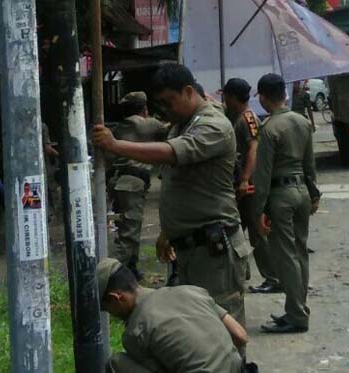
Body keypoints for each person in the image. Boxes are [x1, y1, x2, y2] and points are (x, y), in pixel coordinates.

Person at [93, 64, 252, 331]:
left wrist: (115, 145)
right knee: (198, 328)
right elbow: (181, 184)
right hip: (191, 246)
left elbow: (172, 153)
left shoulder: (213, 125)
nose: (166, 109)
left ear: (188, 91)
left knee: (223, 329)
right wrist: (168, 232)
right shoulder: (183, 124)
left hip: (214, 249)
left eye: (169, 101)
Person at [98, 258, 247, 373]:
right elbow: (240, 336)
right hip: (239, 369)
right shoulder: (191, 291)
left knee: (116, 362)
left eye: (107, 308)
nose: (111, 314)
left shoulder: (135, 332)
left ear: (116, 298)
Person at [252, 73, 318, 334]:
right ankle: (297, 308)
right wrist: (314, 194)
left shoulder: (269, 128)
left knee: (286, 256)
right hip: (301, 191)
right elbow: (309, 164)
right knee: (300, 252)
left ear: (263, 97)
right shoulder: (302, 122)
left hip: (280, 197)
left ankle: (297, 315)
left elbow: (263, 174)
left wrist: (258, 211)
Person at [222, 78, 281, 294]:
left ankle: (273, 278)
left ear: (231, 97)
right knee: (238, 229)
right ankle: (241, 273)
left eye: (226, 97)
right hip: (240, 185)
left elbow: (253, 149)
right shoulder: (236, 117)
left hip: (249, 186)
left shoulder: (247, 118)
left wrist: (246, 178)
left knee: (257, 232)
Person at [108, 92, 169, 280]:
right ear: (144, 109)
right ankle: (110, 275)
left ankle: (131, 269)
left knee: (128, 226)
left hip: (119, 182)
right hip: (132, 183)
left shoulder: (120, 127)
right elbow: (170, 128)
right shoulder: (144, 123)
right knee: (129, 233)